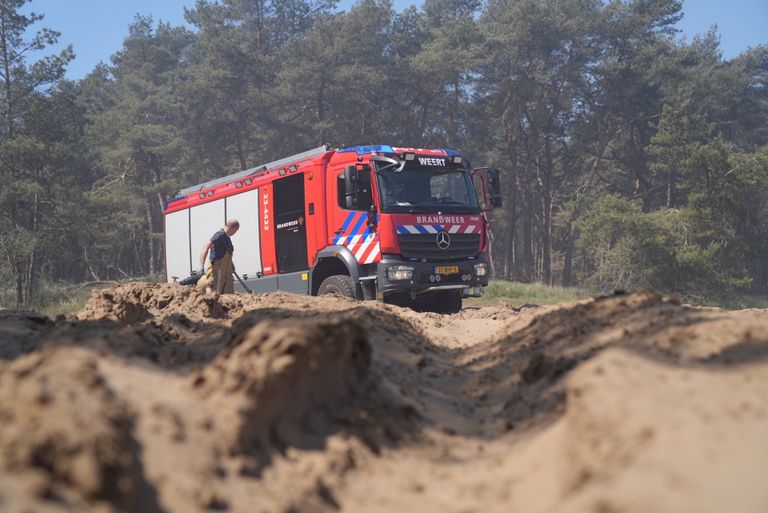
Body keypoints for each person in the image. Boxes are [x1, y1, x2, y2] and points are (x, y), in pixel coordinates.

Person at [196, 219, 240, 295]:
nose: (235, 233)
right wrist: (201, 266)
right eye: (236, 231)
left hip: (225, 274)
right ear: (233, 228)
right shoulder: (219, 235)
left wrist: (231, 265)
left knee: (228, 294)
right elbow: (205, 247)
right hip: (217, 271)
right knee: (214, 293)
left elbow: (226, 254)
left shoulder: (227, 238)